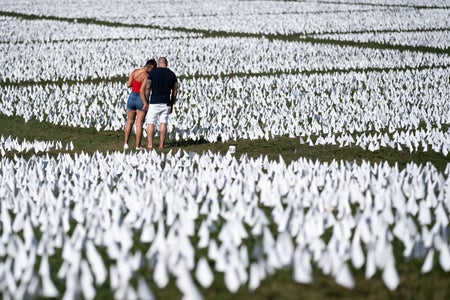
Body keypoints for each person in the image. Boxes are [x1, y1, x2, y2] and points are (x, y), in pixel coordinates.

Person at [145, 57, 178, 151]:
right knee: (163, 123)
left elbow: (148, 87)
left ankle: (150, 145)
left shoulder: (153, 73)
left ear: (159, 64)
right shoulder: (172, 74)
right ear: (166, 63)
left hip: (154, 101)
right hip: (166, 102)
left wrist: (147, 99)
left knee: (151, 122)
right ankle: (161, 145)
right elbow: (175, 90)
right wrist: (172, 102)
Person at [124, 58, 157, 150]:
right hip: (140, 99)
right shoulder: (146, 76)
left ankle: (126, 144)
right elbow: (141, 91)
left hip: (131, 97)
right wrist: (145, 103)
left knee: (129, 121)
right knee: (139, 124)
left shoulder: (135, 71)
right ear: (151, 67)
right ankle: (138, 146)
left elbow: (128, 85)